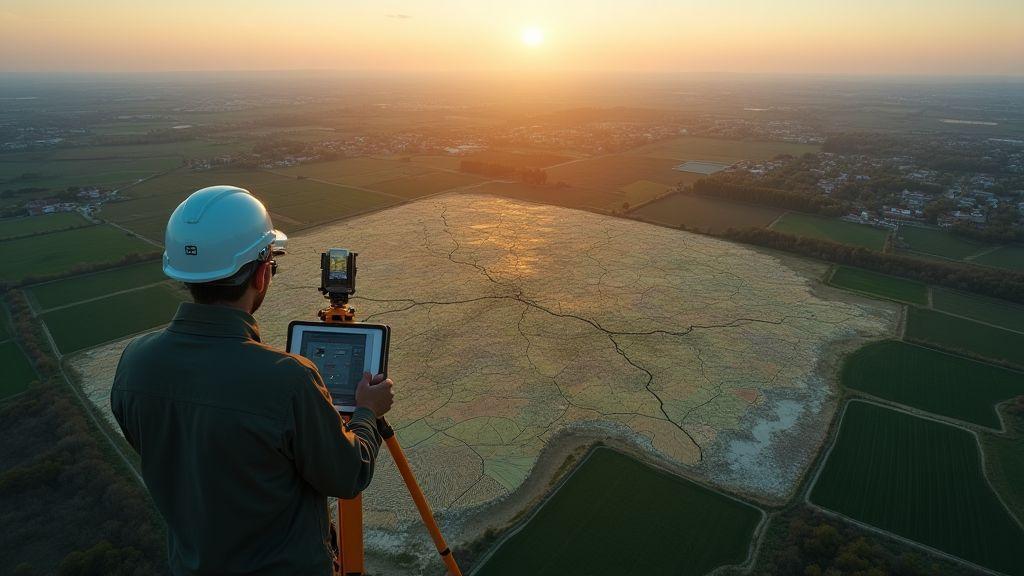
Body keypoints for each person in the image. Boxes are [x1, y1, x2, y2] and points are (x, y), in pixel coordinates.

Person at [110, 185, 394, 575]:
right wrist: (366, 411)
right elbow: (348, 475)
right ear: (262, 273)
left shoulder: (134, 365)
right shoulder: (289, 380)